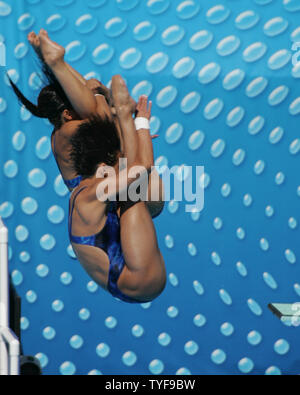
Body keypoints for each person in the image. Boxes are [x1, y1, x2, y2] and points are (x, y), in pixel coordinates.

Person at [10, 29, 164, 217]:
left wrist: (52, 61)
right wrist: (138, 125)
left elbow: (87, 90)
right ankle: (57, 63)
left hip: (121, 194)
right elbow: (144, 164)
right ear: (67, 114)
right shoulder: (68, 131)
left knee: (94, 91)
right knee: (95, 95)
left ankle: (57, 63)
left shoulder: (70, 128)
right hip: (119, 199)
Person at [68, 75, 166, 303]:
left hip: (127, 276)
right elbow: (143, 166)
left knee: (130, 184)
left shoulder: (88, 185)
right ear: (102, 164)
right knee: (132, 193)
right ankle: (123, 114)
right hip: (140, 280)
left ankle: (122, 115)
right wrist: (141, 122)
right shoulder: (93, 194)